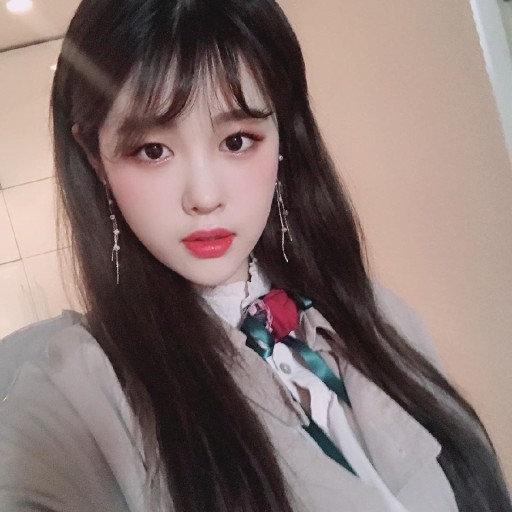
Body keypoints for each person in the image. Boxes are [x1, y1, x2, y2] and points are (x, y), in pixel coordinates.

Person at [0, 0, 510, 511]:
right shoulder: (77, 399)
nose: (204, 196)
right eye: (153, 150)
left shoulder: (375, 314)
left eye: (237, 140)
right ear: (95, 157)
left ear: (282, 135)